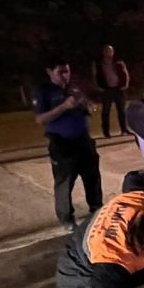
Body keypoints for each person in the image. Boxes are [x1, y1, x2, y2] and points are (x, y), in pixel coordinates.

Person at [34, 56, 103, 232]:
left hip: (83, 141)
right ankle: (67, 219)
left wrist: (88, 109)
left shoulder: (75, 88)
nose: (65, 75)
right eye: (60, 71)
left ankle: (97, 211)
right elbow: (40, 119)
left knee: (92, 178)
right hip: (62, 145)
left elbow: (86, 109)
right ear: (50, 72)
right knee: (64, 183)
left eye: (67, 70)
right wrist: (63, 107)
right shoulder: (44, 91)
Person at [92, 44, 130, 137]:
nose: (109, 52)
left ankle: (124, 130)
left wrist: (126, 84)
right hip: (106, 89)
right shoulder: (98, 63)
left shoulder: (118, 62)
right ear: (103, 52)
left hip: (118, 88)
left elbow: (126, 73)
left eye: (110, 51)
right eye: (107, 51)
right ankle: (106, 132)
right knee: (106, 111)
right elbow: (94, 75)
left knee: (121, 110)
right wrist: (97, 86)